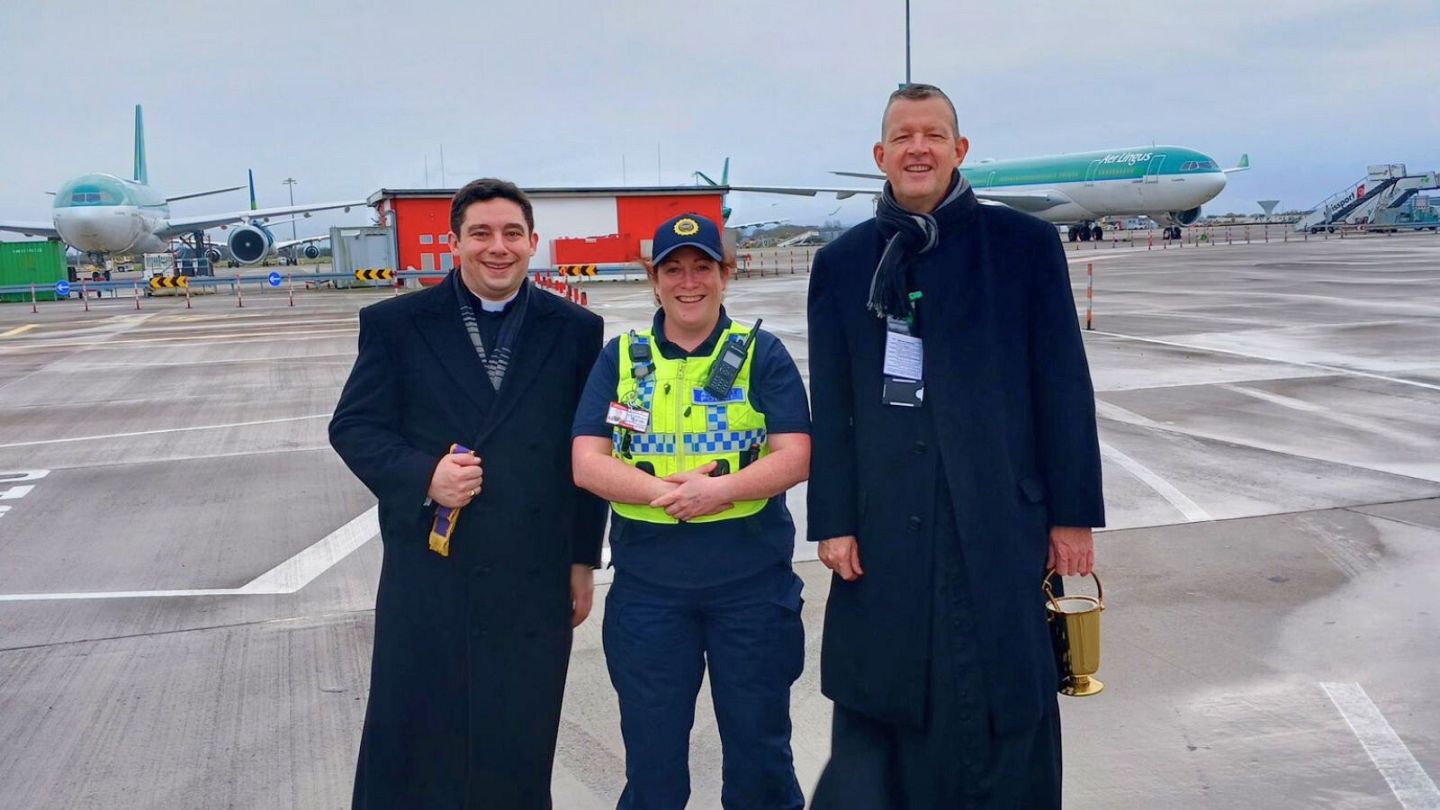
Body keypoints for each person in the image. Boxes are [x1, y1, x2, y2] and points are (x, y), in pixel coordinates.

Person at [806, 84, 1105, 808]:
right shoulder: (843, 264)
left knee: (1000, 689)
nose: (918, 147)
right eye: (903, 136)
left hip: (1002, 518)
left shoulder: (1023, 247)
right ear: (880, 155)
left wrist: (1072, 517)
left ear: (959, 150)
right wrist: (834, 519)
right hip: (888, 526)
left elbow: (1062, 383)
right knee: (893, 692)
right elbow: (835, 405)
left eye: (933, 134)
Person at [329, 177, 606, 808]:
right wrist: (424, 474)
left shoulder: (575, 330)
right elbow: (353, 426)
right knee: (414, 735)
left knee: (519, 736)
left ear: (534, 243)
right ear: (454, 243)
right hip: (431, 568)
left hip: (532, 572)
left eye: (512, 234)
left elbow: (586, 451)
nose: (497, 247)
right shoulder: (396, 325)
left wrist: (582, 559)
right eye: (480, 233)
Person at [571, 212, 811, 809]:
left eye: (702, 267)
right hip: (650, 591)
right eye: (672, 269)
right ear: (653, 278)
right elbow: (586, 462)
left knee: (760, 755)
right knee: (652, 763)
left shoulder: (761, 353)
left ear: (726, 273)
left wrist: (719, 492)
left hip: (750, 588)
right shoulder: (620, 358)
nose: (688, 282)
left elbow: (797, 453)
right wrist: (670, 495)